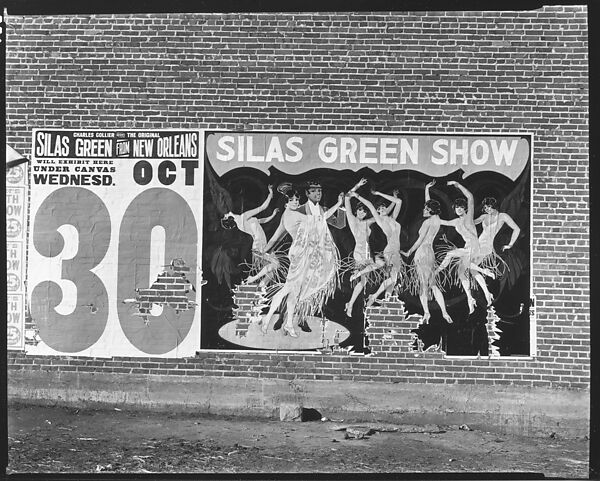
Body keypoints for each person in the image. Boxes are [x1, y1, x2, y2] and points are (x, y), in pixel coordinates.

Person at [260, 185, 344, 337]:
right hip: (301, 255)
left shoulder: (287, 215)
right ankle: (270, 320)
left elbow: (274, 237)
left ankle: (289, 323)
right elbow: (320, 219)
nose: (295, 202)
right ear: (286, 203)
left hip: (301, 254)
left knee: (293, 292)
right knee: (289, 290)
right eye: (292, 200)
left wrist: (265, 250)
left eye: (296, 200)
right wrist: (339, 204)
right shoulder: (297, 214)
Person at [434, 181, 495, 312]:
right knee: (463, 272)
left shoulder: (469, 217)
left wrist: (458, 185)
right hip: (468, 248)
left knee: (450, 254)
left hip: (474, 247)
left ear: (465, 208)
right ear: (454, 209)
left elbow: (470, 198)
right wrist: (431, 207)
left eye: (461, 207)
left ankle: (437, 271)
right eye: (457, 207)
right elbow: (439, 221)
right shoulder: (456, 221)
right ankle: (480, 296)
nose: (459, 209)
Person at [401, 180, 453, 324]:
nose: (423, 211)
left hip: (422, 253)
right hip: (430, 254)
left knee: (423, 285)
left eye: (426, 210)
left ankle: (426, 313)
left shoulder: (427, 222)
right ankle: (444, 311)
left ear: (431, 211)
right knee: (433, 284)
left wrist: (409, 252)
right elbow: (429, 204)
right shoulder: (436, 219)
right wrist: (426, 190)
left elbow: (419, 241)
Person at [349, 188, 405, 307]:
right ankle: (374, 296)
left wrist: (391, 198)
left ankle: (386, 300)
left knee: (392, 280)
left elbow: (399, 202)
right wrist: (358, 195)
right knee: (394, 278)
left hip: (396, 252)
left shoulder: (392, 218)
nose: (381, 209)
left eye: (383, 207)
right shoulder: (380, 220)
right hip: (390, 251)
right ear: (377, 213)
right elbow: (369, 205)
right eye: (379, 209)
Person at [221, 185, 282, 286]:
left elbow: (262, 221)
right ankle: (252, 279)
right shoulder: (243, 217)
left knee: (272, 271)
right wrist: (270, 194)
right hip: (260, 245)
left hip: (262, 244)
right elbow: (262, 208)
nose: (226, 213)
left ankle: (260, 289)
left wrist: (273, 215)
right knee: (276, 265)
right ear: (229, 218)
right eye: (225, 216)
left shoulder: (242, 221)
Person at [342, 178, 378, 317]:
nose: (362, 213)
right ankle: (351, 304)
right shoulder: (352, 219)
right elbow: (346, 198)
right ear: (356, 211)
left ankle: (350, 304)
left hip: (368, 253)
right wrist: (357, 186)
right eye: (360, 211)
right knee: (364, 278)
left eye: (364, 212)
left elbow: (380, 217)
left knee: (363, 283)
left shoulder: (367, 222)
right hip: (359, 253)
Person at [474, 196, 521, 277]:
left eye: (488, 206)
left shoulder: (503, 216)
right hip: (478, 243)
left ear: (494, 205)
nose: (487, 209)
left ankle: (486, 272)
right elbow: (471, 223)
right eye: (485, 207)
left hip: (487, 245)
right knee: (470, 267)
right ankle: (485, 273)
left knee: (472, 265)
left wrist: (510, 244)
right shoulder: (484, 216)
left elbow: (517, 229)